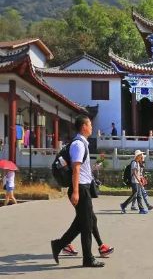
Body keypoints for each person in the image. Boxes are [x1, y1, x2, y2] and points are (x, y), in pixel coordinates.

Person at [50, 115, 108, 268]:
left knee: (85, 222)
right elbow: (76, 168)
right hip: (80, 189)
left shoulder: (82, 143)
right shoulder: (78, 145)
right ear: (83, 126)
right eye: (90, 125)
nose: (92, 128)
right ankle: (87, 258)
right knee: (86, 225)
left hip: (83, 188)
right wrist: (75, 191)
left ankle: (59, 245)